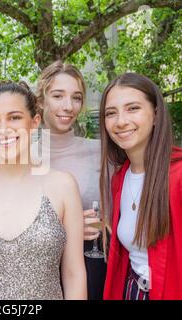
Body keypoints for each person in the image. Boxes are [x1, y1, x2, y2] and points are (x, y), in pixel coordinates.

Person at [0, 81, 87, 300]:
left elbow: (74, 274)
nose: (4, 129)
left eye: (14, 117)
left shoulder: (63, 186)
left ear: (34, 123)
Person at [100, 72, 182, 300]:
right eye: (111, 113)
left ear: (155, 115)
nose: (121, 121)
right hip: (133, 291)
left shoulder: (178, 176)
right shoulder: (119, 178)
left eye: (133, 108)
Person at [35, 61, 106, 300]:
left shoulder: (101, 152)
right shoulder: (21, 156)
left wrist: (101, 225)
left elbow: (120, 214)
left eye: (76, 98)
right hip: (37, 269)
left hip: (89, 267)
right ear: (41, 100)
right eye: (58, 96)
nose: (68, 106)